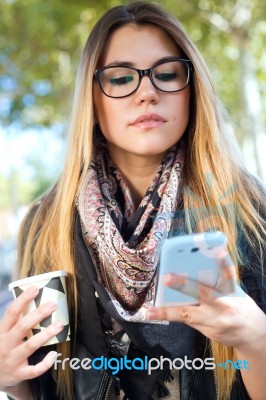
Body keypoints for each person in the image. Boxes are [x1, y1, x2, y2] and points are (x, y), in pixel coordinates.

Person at [0, 2, 265, 399]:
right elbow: (45, 385)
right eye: (122, 78)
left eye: (167, 74)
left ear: (192, 90)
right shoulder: (45, 222)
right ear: (93, 98)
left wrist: (257, 340)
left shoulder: (248, 209)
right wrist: (12, 377)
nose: (147, 92)